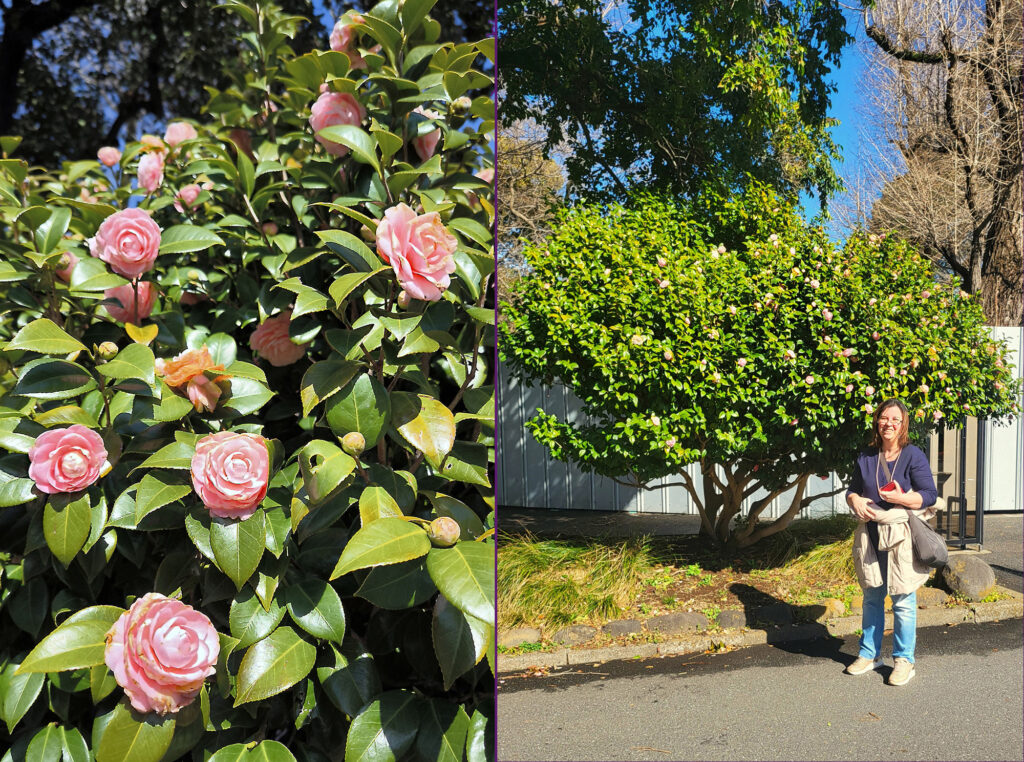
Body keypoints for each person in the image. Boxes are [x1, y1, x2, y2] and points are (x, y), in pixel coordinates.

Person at [844, 398, 937, 686]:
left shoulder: (913, 455)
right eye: (885, 418)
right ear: (878, 421)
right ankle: (869, 654)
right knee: (872, 595)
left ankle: (904, 661)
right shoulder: (867, 456)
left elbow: (929, 495)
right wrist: (855, 500)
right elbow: (853, 490)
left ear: (903, 424)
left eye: (895, 419)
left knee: (903, 600)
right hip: (870, 535)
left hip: (900, 537)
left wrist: (900, 498)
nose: (889, 424)